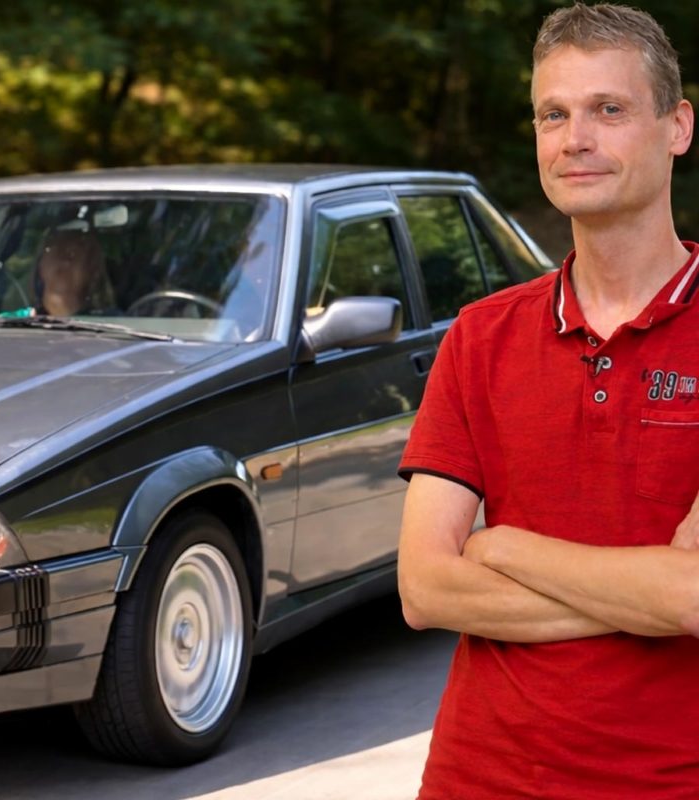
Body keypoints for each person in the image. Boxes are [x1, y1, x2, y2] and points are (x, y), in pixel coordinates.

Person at [397, 3, 699, 798]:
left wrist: (503, 548)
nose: (576, 139)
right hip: (478, 776)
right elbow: (425, 588)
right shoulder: (480, 336)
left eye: (609, 109)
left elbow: (694, 598)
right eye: (553, 114)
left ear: (677, 127)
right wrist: (648, 591)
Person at [32, 228, 109, 316]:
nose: (65, 262)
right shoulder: (22, 319)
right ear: (40, 264)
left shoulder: (113, 321)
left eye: (74, 254)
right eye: (58, 250)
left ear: (93, 272)